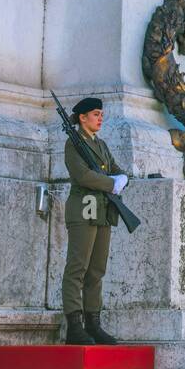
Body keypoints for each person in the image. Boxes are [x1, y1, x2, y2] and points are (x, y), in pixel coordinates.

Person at [61, 97, 129, 346]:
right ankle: (74, 327)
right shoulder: (73, 143)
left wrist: (122, 178)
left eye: (101, 114)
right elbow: (83, 176)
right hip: (83, 209)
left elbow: (116, 169)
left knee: (96, 270)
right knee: (77, 268)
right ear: (82, 118)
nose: (100, 118)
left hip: (102, 211)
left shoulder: (101, 144)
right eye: (96, 114)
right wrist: (112, 183)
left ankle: (93, 324)